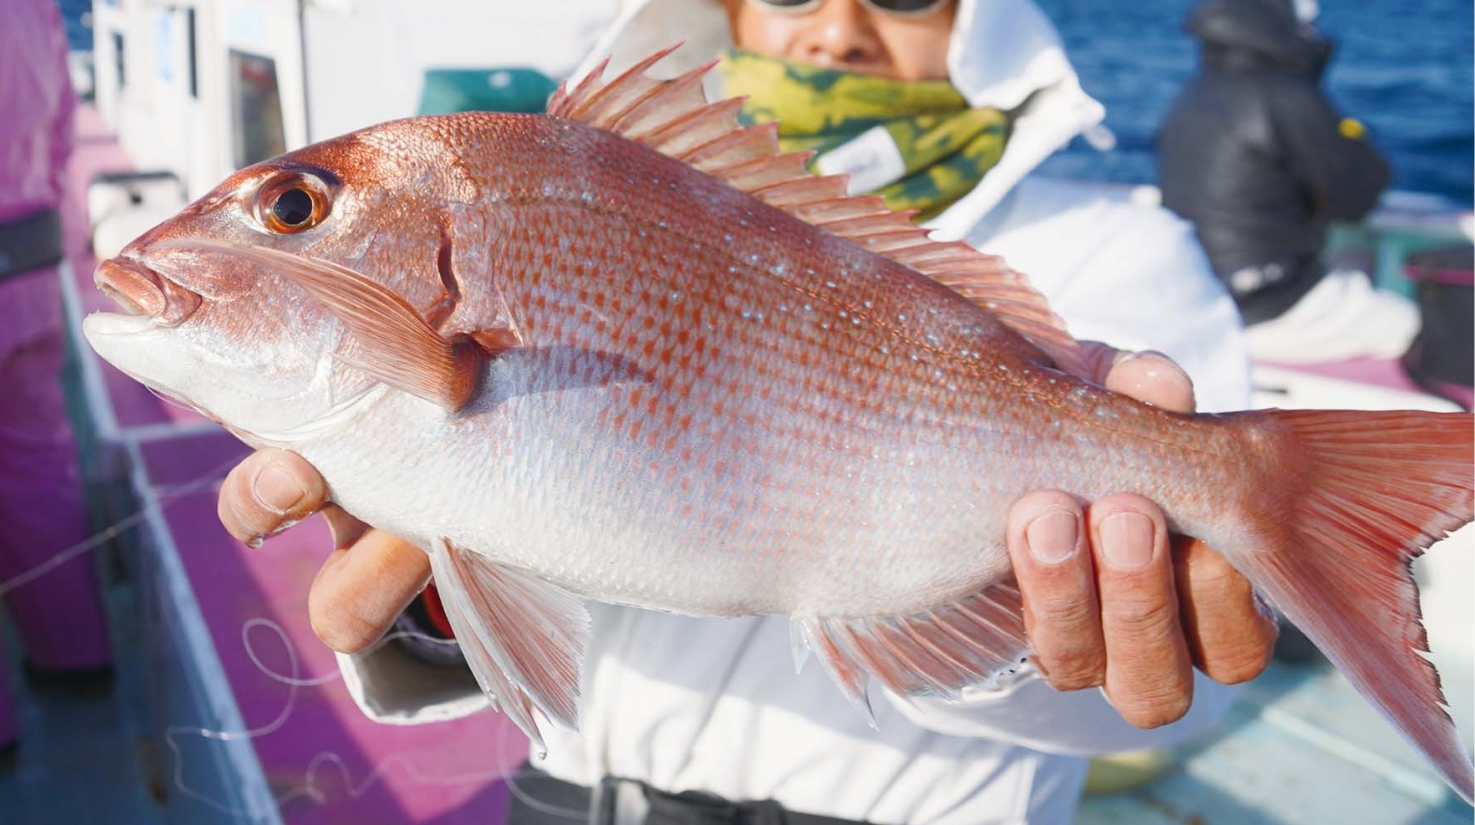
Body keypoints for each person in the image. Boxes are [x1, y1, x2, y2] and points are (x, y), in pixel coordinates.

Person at [219, 1, 1276, 822]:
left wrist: (1024, 627)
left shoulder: (1114, 250)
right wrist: (436, 604)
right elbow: (548, 541)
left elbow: (1187, 677)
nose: (838, 27)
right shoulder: (596, 178)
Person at [1157, 0, 1419, 364]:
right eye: (1305, 23)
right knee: (1413, 324)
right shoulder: (1286, 94)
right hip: (1271, 305)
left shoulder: (1197, 89)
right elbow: (1359, 197)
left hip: (1205, 293)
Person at [0, 0, 114, 757]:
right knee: (40, 469)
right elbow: (62, 135)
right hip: (29, 274)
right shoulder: (33, 10)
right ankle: (75, 654)